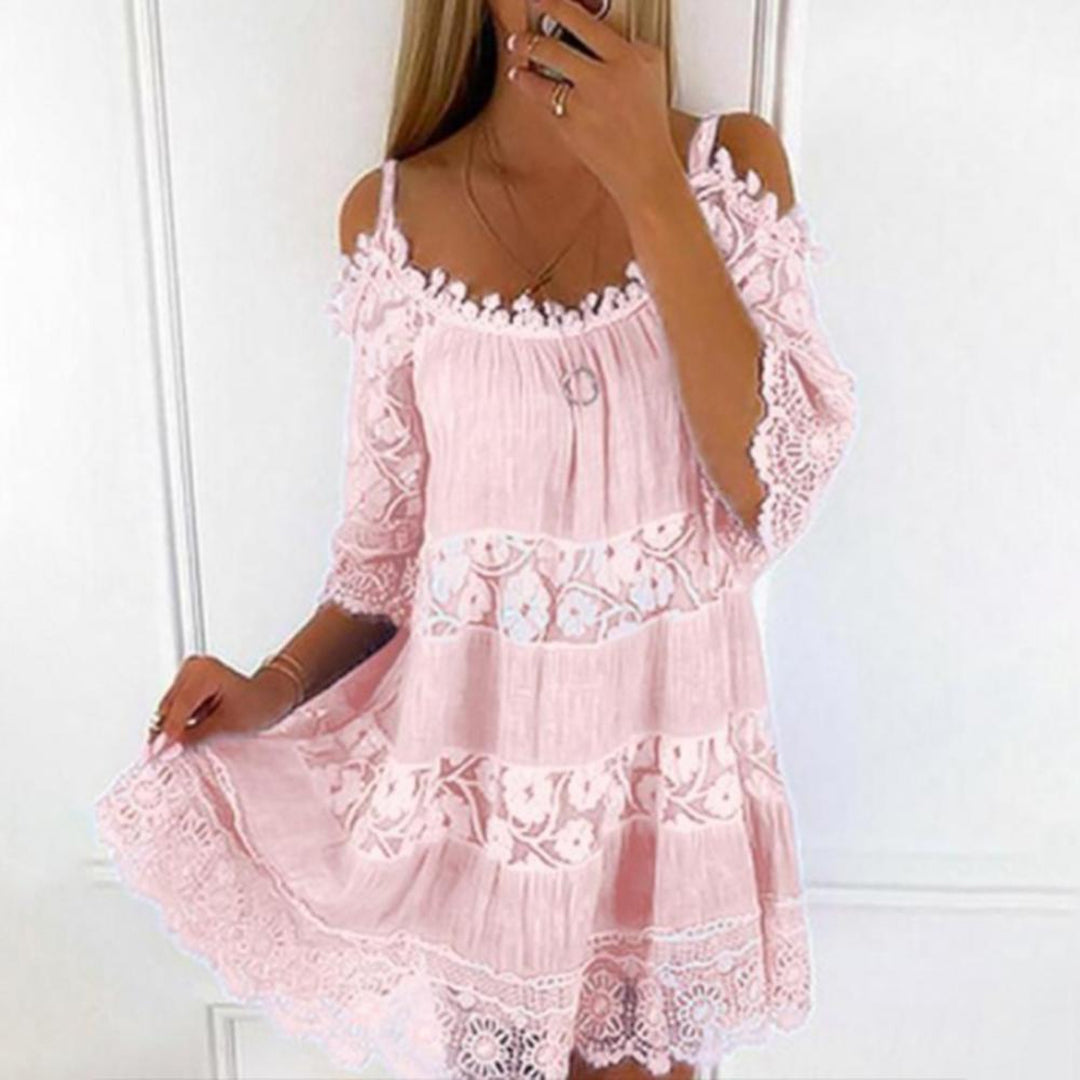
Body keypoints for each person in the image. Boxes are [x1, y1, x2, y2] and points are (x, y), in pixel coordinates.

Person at [94, 0, 859, 1077]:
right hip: (483, 830)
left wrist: (648, 177)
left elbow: (771, 491)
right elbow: (387, 560)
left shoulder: (727, 171)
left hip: (665, 819)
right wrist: (272, 687)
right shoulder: (391, 221)